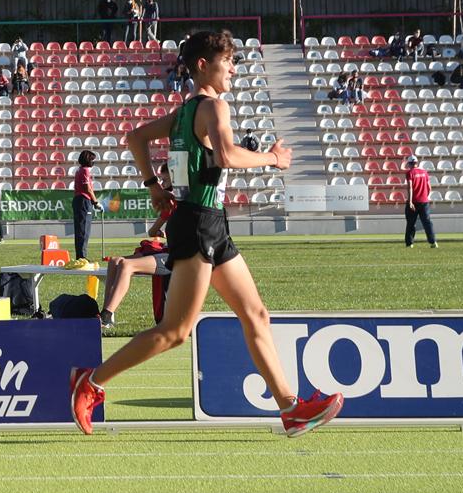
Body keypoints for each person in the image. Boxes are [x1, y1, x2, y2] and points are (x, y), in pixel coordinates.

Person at [69, 28, 343, 438]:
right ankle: (90, 382)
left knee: (256, 314)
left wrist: (154, 186)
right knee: (174, 332)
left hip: (207, 222)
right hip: (199, 223)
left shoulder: (184, 112)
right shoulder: (214, 107)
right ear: (202, 65)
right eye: (226, 61)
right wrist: (272, 158)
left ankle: (291, 409)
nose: (233, 68)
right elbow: (227, 155)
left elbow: (136, 138)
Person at [97, 238, 172, 328]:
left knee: (126, 265)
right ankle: (105, 317)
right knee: (114, 261)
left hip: (175, 255)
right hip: (162, 250)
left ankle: (106, 316)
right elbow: (152, 232)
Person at [403, 156, 438, 249]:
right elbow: (429, 187)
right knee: (427, 222)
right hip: (424, 202)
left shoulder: (410, 173)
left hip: (414, 201)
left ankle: (409, 243)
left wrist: (410, 201)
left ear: (409, 164)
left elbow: (410, 187)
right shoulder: (424, 172)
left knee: (411, 223)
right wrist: (425, 196)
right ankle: (433, 242)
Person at [71, 149, 100, 261]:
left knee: (80, 229)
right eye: (92, 160)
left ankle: (80, 255)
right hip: (83, 201)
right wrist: (95, 202)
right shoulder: (85, 171)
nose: (93, 162)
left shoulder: (79, 170)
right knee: (83, 229)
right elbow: (88, 189)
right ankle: (82, 256)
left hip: (79, 200)